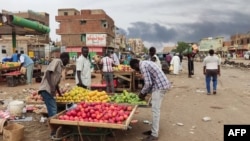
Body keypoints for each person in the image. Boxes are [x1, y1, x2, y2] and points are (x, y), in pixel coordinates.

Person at [129, 59, 171, 141]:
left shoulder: (142, 66)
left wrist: (142, 93)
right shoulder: (146, 62)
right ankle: (153, 130)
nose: (136, 70)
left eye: (135, 68)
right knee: (155, 109)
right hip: (161, 85)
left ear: (136, 64)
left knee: (155, 110)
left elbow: (148, 83)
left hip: (159, 87)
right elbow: (150, 81)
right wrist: (145, 93)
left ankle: (154, 135)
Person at [38, 52, 69, 137]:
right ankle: (54, 133)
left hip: (49, 90)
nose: (69, 61)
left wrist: (59, 94)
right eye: (68, 59)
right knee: (53, 109)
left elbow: (56, 84)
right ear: (65, 58)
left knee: (53, 109)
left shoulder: (61, 66)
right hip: (46, 89)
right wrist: (51, 87)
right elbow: (48, 72)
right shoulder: (57, 61)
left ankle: (55, 130)